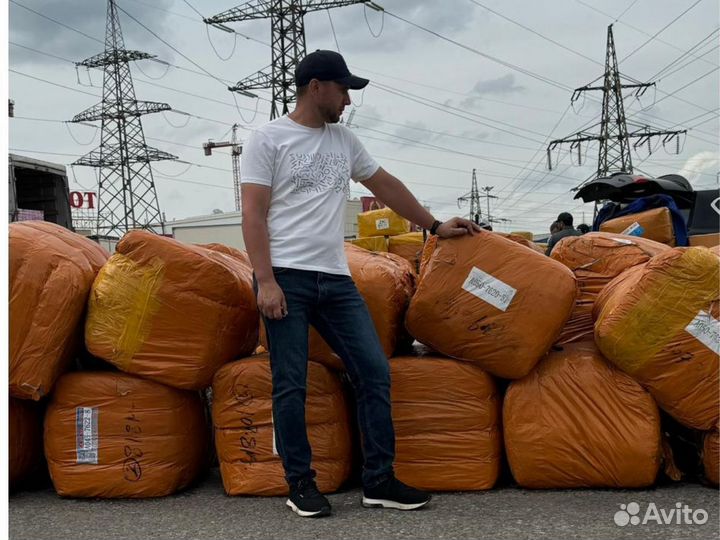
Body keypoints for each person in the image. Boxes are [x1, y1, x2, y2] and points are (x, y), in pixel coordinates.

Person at [241, 50, 481, 518]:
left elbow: (385, 184)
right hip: (285, 277)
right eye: (343, 89)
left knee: (374, 371)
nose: (348, 99)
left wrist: (433, 224)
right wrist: (265, 281)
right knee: (291, 383)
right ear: (316, 87)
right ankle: (301, 484)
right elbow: (253, 212)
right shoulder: (268, 139)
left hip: (335, 278)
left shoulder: (344, 140)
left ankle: (379, 480)